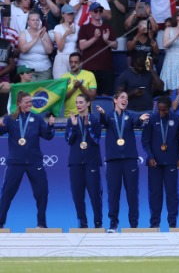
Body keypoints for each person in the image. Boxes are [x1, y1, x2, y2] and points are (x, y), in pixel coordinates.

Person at [0, 92, 56, 229]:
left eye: (30, 102)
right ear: (19, 103)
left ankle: (41, 224)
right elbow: (1, 132)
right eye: (26, 102)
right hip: (15, 162)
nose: (29, 104)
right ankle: (0, 223)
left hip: (34, 162)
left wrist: (49, 125)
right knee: (7, 193)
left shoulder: (37, 119)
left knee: (42, 192)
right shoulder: (10, 119)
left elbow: (47, 136)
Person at [96, 91, 150, 232]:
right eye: (122, 97)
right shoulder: (108, 115)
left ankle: (133, 225)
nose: (125, 100)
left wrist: (141, 118)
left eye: (126, 98)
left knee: (132, 194)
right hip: (113, 161)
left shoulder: (130, 115)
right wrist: (101, 114)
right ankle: (113, 224)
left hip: (130, 160)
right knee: (113, 194)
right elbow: (103, 122)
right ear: (115, 100)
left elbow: (136, 120)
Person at [141, 95, 179, 229]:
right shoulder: (151, 119)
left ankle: (172, 223)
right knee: (155, 194)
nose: (161, 112)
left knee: (172, 194)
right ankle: (154, 223)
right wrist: (150, 156)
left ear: (169, 108)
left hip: (171, 162)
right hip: (155, 163)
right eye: (159, 110)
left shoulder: (177, 119)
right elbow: (145, 141)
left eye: (164, 110)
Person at [65, 94, 103, 229]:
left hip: (91, 161)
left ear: (88, 104)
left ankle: (98, 222)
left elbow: (96, 140)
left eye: (81, 102)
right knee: (77, 194)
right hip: (75, 162)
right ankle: (82, 222)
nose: (78, 105)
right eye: (76, 102)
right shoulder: (72, 120)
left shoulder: (94, 119)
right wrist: (75, 126)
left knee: (94, 193)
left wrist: (88, 127)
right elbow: (69, 141)